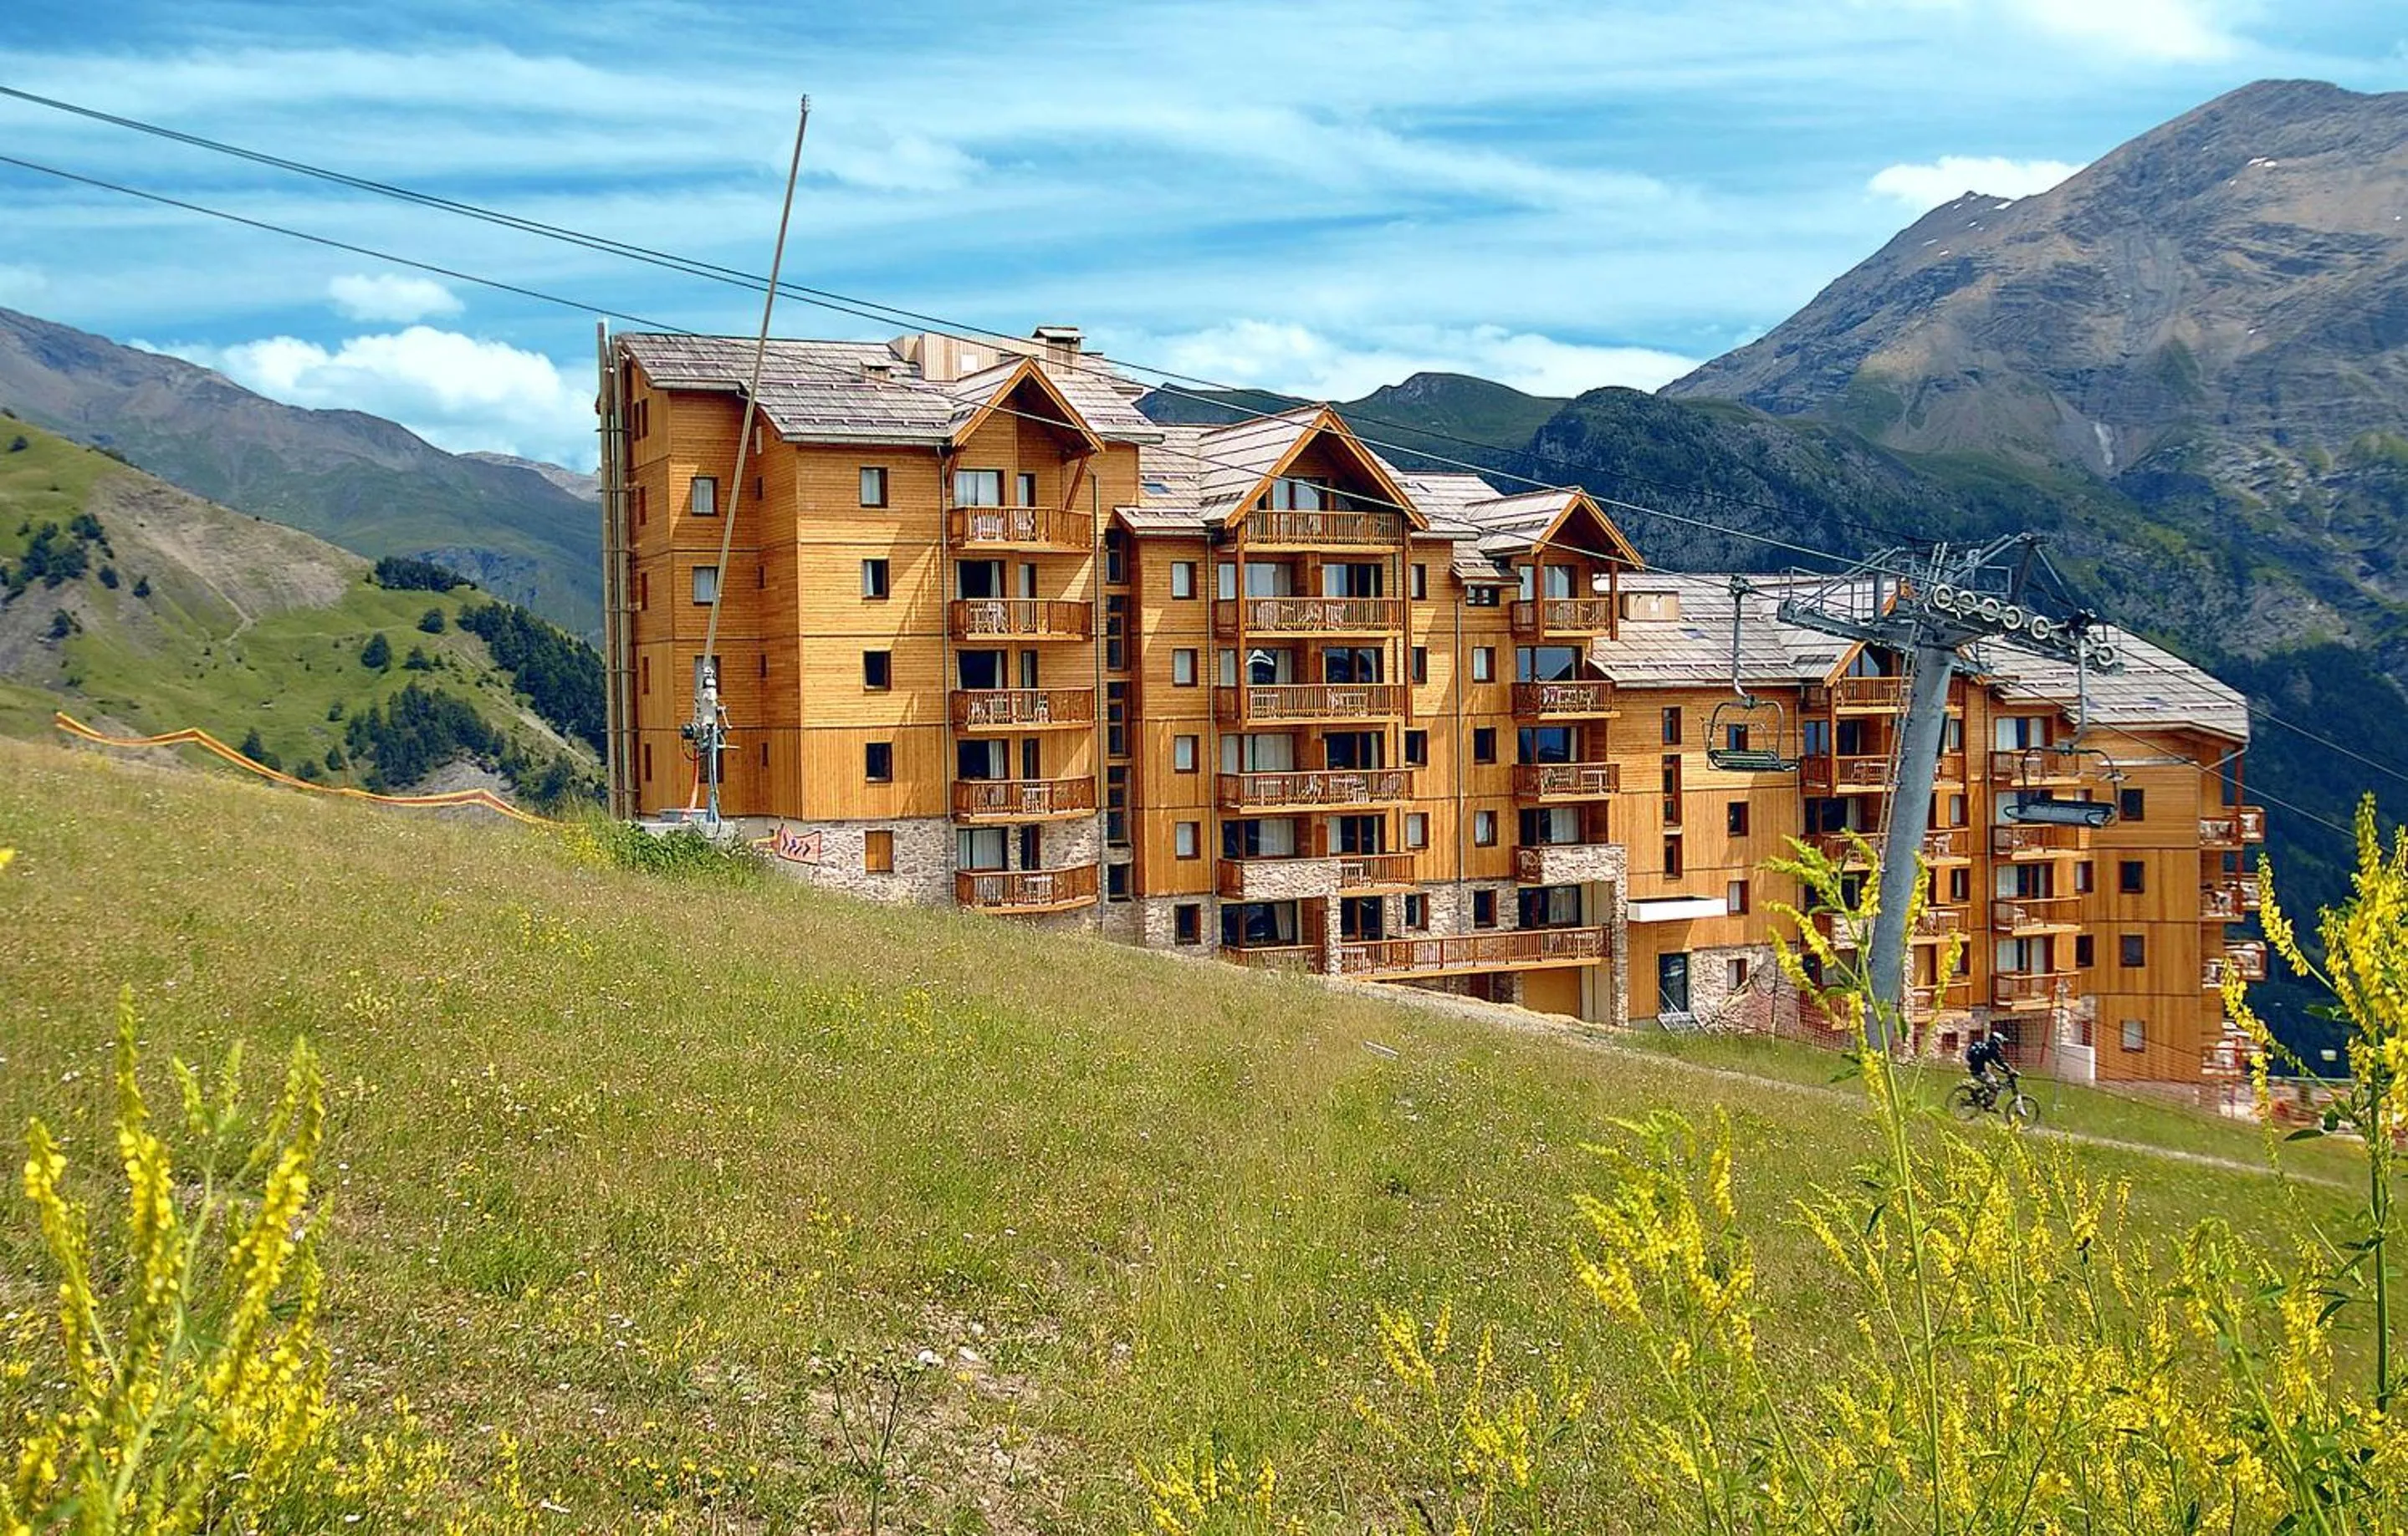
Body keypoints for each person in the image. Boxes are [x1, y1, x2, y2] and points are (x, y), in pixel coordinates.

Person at [1966, 1028, 2012, 1098]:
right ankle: (1987, 1104)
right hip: (1979, 1072)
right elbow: (2000, 1061)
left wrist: (2004, 1070)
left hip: (1976, 1070)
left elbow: (1994, 1063)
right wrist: (2010, 1069)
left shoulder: (1986, 1047)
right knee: (1995, 1087)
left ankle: (1978, 1095)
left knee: (1994, 1083)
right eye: (2001, 1042)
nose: (2002, 1045)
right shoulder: (1991, 1049)